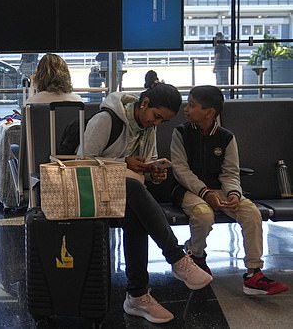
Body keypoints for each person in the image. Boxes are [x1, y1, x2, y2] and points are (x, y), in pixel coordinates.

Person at [83, 74, 212, 324]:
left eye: (163, 121)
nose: (158, 124)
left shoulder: (147, 128)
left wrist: (154, 172)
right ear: (144, 104)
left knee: (136, 207)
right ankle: (176, 258)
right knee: (132, 188)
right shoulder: (106, 120)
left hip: (130, 195)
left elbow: (145, 164)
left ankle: (137, 296)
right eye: (157, 117)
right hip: (95, 193)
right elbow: (83, 163)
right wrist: (124, 163)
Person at [170, 85, 289, 296]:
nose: (186, 110)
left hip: (221, 190)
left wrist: (234, 193)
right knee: (202, 214)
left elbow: (230, 172)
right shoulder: (181, 133)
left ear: (209, 112)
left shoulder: (226, 138)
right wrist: (206, 193)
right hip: (189, 191)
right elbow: (181, 171)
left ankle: (254, 273)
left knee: (250, 212)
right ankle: (196, 255)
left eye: (191, 105)